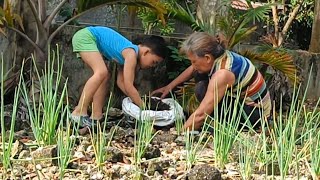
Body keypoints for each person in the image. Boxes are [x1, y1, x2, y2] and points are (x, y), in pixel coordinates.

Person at [152, 32, 272, 131]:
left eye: (194, 61)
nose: (192, 65)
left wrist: (180, 133)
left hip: (256, 115)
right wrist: (169, 86)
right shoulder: (221, 56)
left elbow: (201, 115)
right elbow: (192, 69)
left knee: (201, 90)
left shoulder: (223, 73)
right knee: (199, 74)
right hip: (245, 104)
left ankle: (230, 129)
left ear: (207, 58)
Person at [71, 26, 167, 128]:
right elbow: (129, 86)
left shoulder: (127, 54)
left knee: (105, 76)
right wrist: (144, 106)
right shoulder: (131, 54)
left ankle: (96, 116)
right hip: (86, 37)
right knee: (101, 72)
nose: (152, 66)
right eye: (153, 62)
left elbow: (121, 83)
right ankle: (79, 111)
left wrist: (137, 99)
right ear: (146, 52)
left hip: (88, 38)